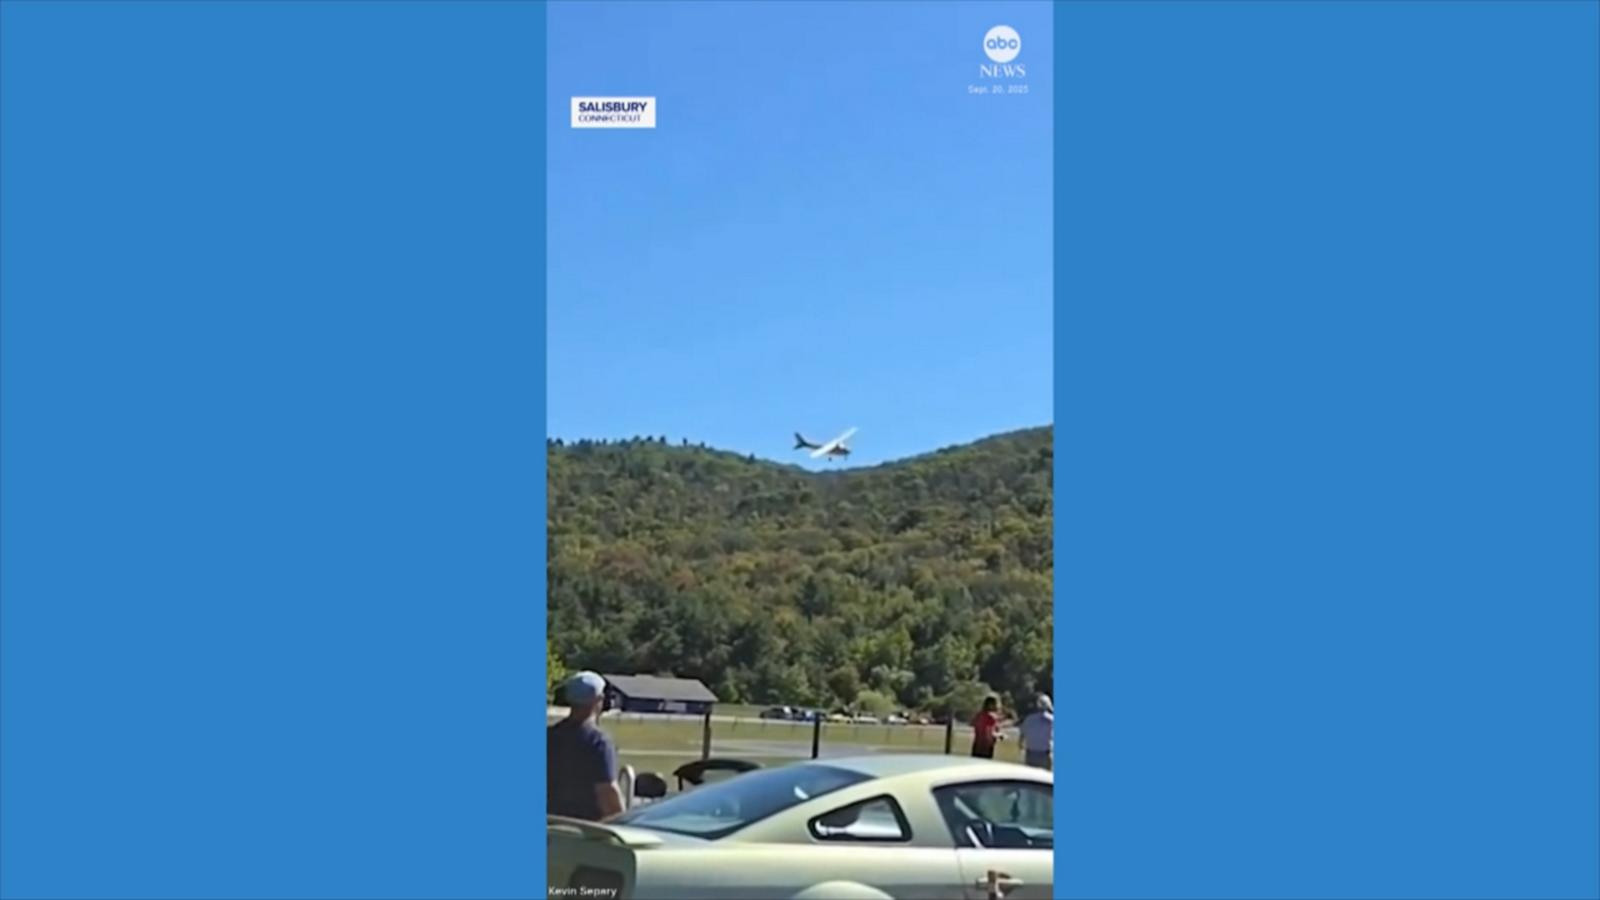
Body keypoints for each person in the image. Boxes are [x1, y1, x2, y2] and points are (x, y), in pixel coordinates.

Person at [547, 671, 624, 821]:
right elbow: (607, 792)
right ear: (599, 700)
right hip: (586, 827)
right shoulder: (598, 742)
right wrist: (622, 825)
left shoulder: (549, 735)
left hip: (551, 824)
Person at [1019, 693, 1053, 769]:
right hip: (1044, 753)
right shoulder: (1051, 720)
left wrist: (1021, 746)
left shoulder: (1029, 719)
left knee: (1030, 774)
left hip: (1030, 753)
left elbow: (1022, 735)